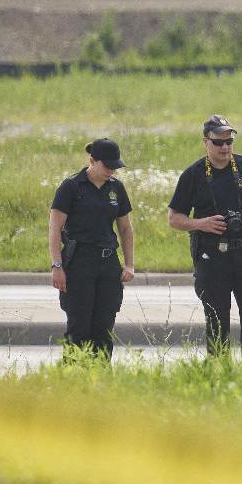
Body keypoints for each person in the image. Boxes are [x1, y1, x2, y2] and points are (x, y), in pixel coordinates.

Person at [167, 115, 242, 357]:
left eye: (229, 141)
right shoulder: (193, 175)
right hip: (211, 256)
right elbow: (174, 218)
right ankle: (219, 372)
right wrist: (200, 223)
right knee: (217, 323)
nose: (225, 147)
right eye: (218, 142)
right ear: (206, 142)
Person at [49, 138, 135, 361]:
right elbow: (55, 228)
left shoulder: (116, 188)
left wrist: (129, 264)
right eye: (107, 166)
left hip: (108, 263)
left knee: (104, 327)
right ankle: (73, 379)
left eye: (115, 167)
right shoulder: (71, 187)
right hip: (79, 262)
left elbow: (125, 229)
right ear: (92, 161)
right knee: (79, 327)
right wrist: (57, 266)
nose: (111, 171)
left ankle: (101, 379)